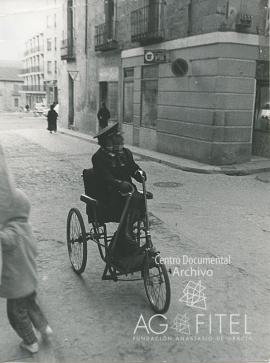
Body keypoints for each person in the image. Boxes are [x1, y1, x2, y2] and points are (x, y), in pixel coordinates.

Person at [0, 145, 52, 354]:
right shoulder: (26, 227)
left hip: (16, 284)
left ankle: (30, 341)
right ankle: (44, 328)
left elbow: (5, 240)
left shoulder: (11, 232)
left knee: (16, 313)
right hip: (29, 280)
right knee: (32, 305)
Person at [92, 123, 147, 255]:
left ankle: (124, 236)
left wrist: (140, 173)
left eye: (118, 137)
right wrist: (118, 183)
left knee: (139, 200)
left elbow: (133, 168)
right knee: (131, 201)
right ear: (106, 142)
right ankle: (124, 239)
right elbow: (106, 178)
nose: (119, 140)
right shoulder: (98, 157)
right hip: (108, 196)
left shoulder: (126, 153)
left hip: (128, 193)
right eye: (115, 138)